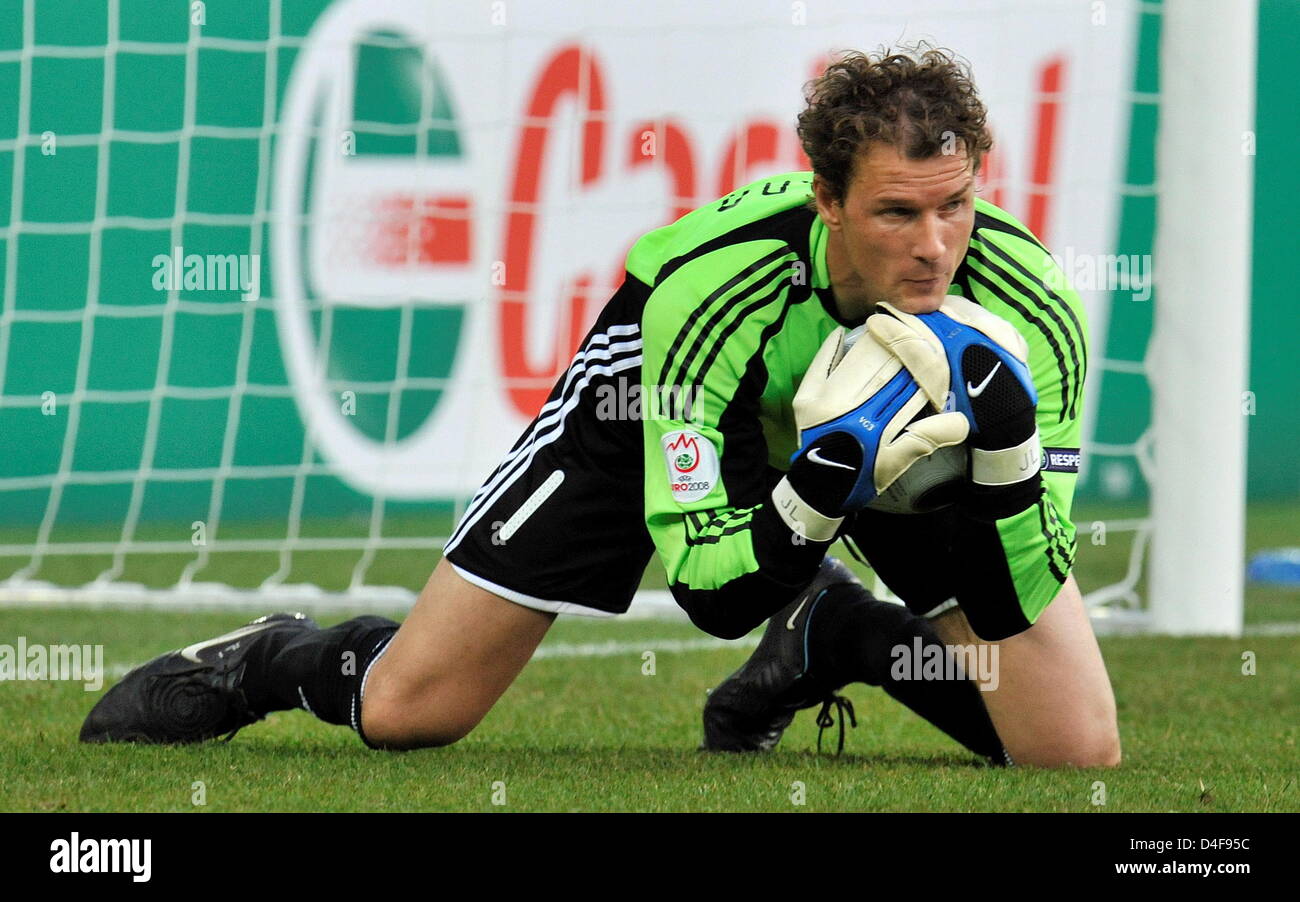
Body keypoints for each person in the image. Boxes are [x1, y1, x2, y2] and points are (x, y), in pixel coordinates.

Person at [82, 45, 1119, 769]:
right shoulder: (710, 295)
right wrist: (810, 498)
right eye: (897, 211)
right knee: (411, 711)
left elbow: (1014, 582)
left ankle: (836, 634)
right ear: (829, 201)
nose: (935, 244)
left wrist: (1009, 460)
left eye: (955, 204)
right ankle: (272, 654)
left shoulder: (1026, 312)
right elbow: (710, 591)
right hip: (663, 395)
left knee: (1065, 747)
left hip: (876, 443)